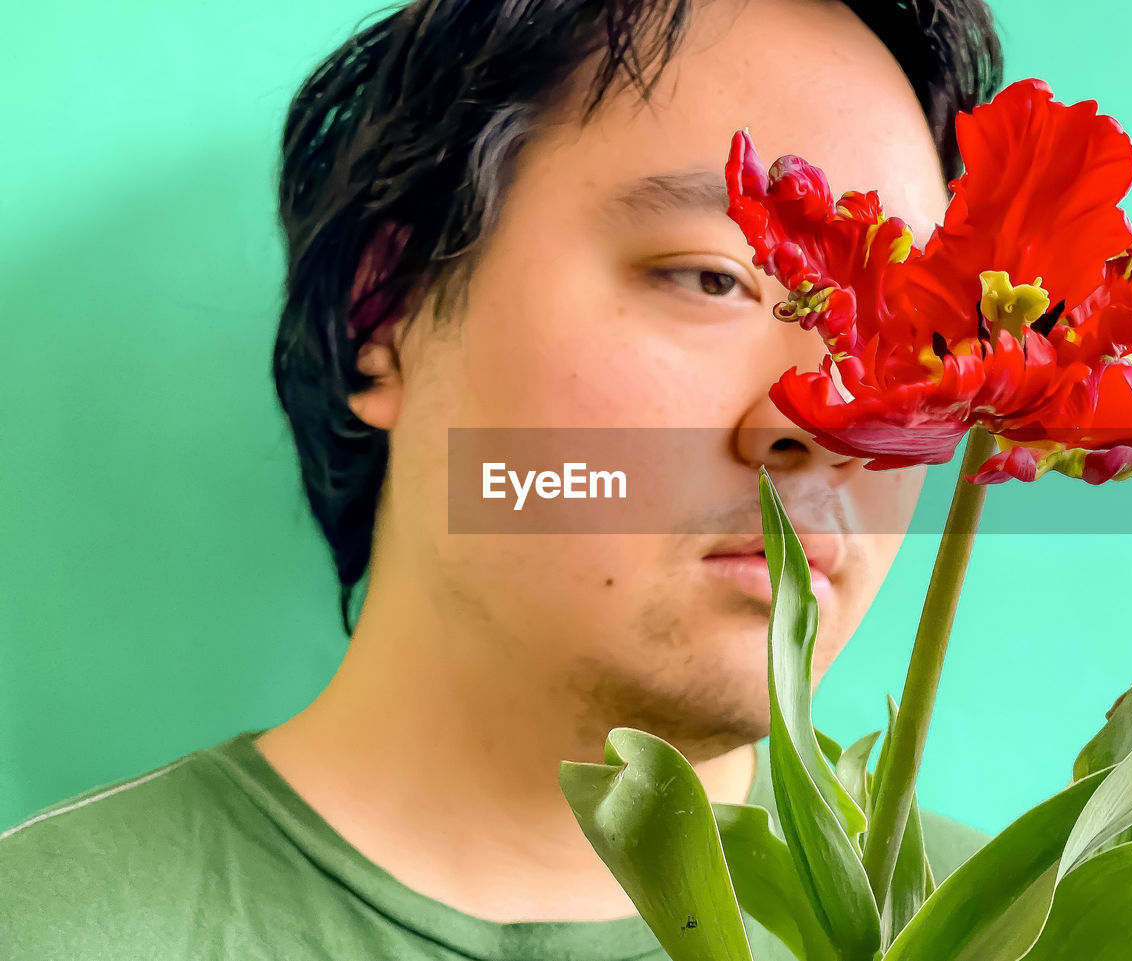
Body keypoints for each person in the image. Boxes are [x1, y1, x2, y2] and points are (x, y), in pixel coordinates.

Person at [1, 0, 1003, 957]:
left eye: (910, 330)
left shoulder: (1045, 934)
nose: (830, 418)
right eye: (710, 277)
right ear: (383, 314)